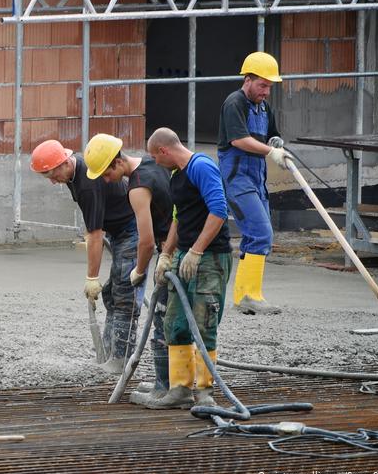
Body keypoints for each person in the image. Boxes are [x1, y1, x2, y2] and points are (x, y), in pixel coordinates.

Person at [30, 138, 142, 374]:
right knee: (111, 295)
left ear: (64, 163)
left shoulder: (86, 184)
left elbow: (95, 234)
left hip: (131, 230)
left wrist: (92, 277)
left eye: (52, 174)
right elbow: (93, 226)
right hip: (118, 230)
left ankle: (121, 360)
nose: (52, 181)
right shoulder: (74, 174)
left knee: (124, 294)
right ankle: (109, 352)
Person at [144, 128, 232, 409]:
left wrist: (197, 250)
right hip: (184, 256)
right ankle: (180, 389)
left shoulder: (201, 167)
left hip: (210, 258)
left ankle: (205, 393)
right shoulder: (176, 175)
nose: (155, 163)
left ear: (164, 151)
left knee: (204, 323)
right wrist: (167, 255)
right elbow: (177, 218)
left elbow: (219, 209)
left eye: (154, 157)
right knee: (175, 322)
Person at [85, 134, 173, 405]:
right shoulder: (153, 164)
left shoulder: (136, 186)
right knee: (166, 317)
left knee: (163, 319)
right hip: (174, 245)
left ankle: (170, 388)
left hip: (173, 247)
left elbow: (144, 241)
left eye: (106, 173)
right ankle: (168, 384)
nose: (105, 180)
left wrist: (140, 269)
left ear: (117, 162)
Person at [217, 51, 291, 314]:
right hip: (237, 178)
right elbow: (239, 141)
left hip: (257, 178)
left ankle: (245, 295)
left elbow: (272, 135)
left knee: (254, 235)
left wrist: (276, 144)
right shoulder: (234, 103)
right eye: (262, 85)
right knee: (262, 232)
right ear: (247, 79)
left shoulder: (263, 107)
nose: (266, 91)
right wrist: (270, 152)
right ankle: (250, 295)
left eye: (269, 86)